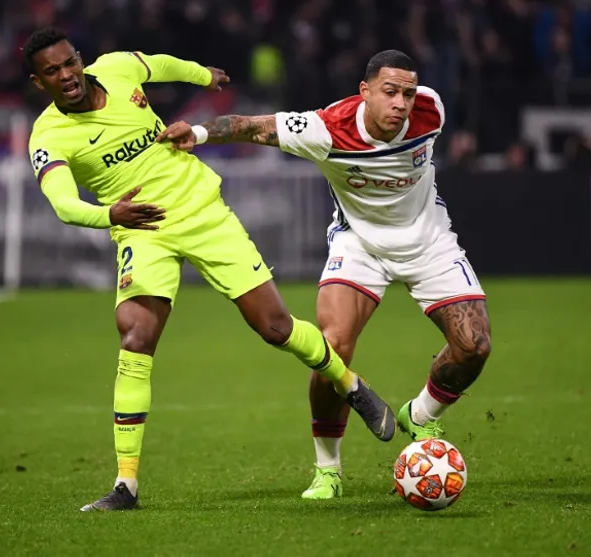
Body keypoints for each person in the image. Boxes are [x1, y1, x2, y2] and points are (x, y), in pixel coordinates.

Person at [22, 28, 397, 512]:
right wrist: (111, 214)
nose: (67, 75)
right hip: (141, 229)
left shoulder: (116, 68)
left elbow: (160, 62)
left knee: (276, 327)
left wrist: (203, 76)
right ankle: (125, 485)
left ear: (80, 58)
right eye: (52, 72)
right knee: (135, 336)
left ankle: (350, 385)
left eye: (69, 62)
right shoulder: (48, 135)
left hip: (203, 212)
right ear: (39, 83)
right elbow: (63, 204)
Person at [157, 49, 493, 500]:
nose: (401, 103)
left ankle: (420, 415)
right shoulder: (326, 128)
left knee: (474, 346)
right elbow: (250, 127)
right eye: (390, 92)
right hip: (359, 245)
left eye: (408, 94)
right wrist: (198, 132)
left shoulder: (431, 110)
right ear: (365, 91)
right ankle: (328, 469)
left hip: (428, 240)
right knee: (332, 349)